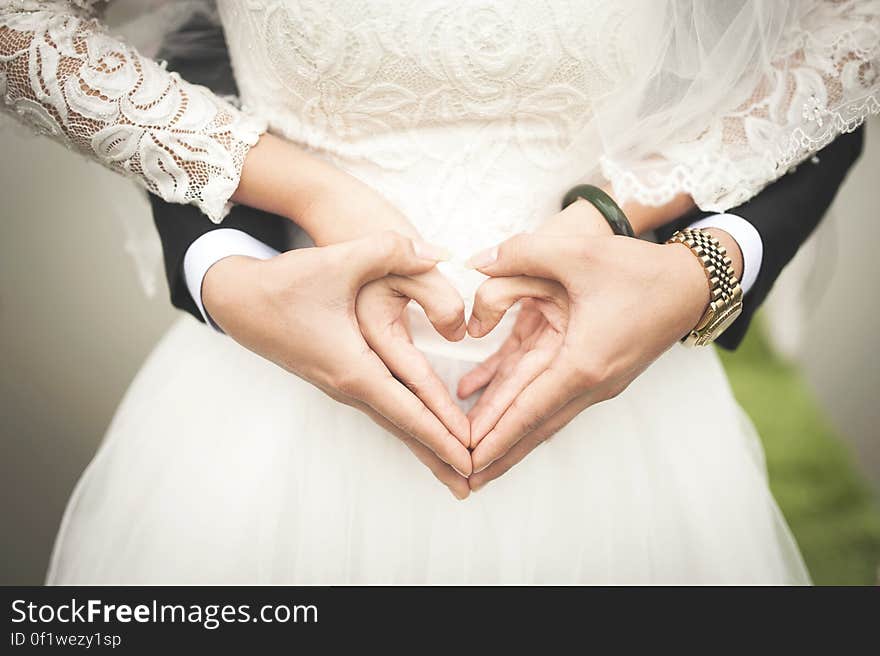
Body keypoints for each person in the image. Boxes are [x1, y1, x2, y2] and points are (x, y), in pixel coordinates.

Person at [1, 0, 876, 583]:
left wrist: (653, 241)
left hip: (618, 405)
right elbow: (23, 28)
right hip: (275, 404)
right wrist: (304, 194)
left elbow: (849, 31)